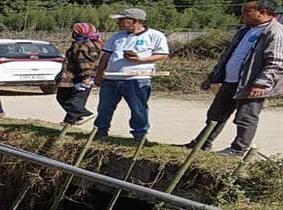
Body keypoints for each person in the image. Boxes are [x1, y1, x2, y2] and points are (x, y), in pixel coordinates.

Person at [183, 0, 283, 156]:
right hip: (231, 80)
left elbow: (276, 62)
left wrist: (262, 84)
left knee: (245, 117)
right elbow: (228, 56)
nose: (242, 15)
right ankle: (202, 143)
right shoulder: (245, 30)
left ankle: (238, 149)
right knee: (215, 114)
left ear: (262, 12)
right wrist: (213, 77)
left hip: (251, 84)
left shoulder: (274, 32)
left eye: (246, 11)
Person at [93, 8, 169, 139]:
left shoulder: (155, 35)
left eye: (122, 20)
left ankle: (139, 134)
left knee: (138, 109)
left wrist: (141, 59)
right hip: (111, 78)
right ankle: (100, 131)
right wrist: (99, 74)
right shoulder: (117, 36)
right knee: (104, 107)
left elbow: (162, 55)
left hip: (137, 79)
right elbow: (105, 56)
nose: (119, 23)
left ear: (136, 21)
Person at [56, 23, 103, 125]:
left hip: (75, 76)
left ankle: (84, 114)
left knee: (63, 97)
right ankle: (71, 120)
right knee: (77, 100)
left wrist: (85, 77)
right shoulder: (95, 43)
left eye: (75, 31)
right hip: (86, 76)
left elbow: (84, 61)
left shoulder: (81, 44)